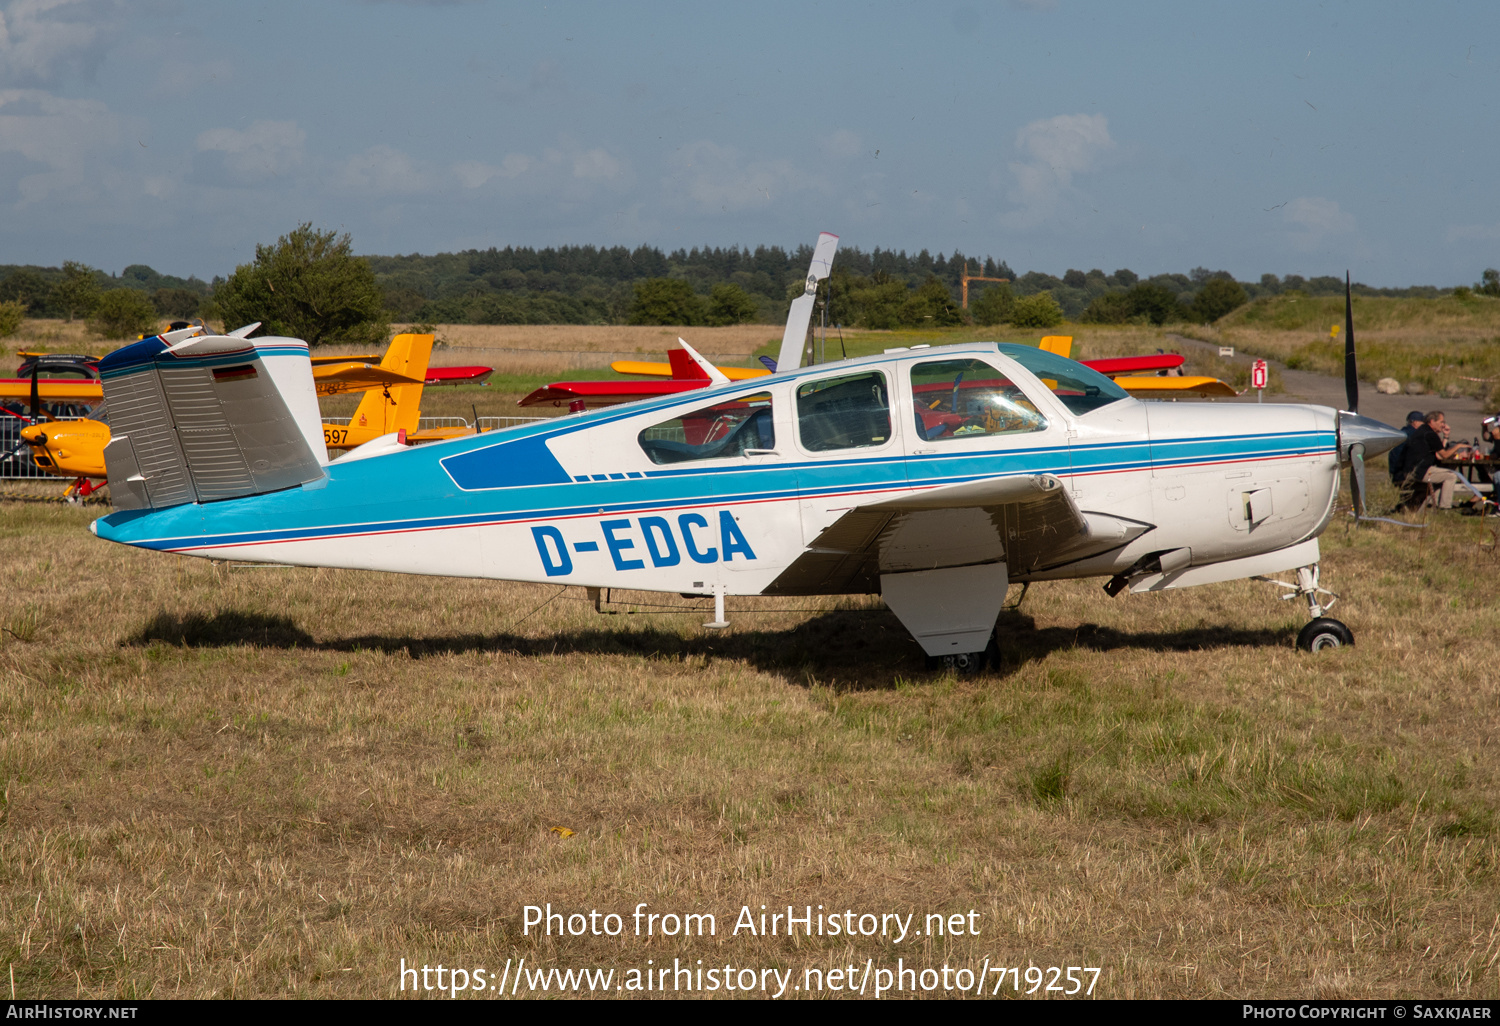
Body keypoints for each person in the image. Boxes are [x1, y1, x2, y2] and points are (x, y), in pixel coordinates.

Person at [1400, 410, 1470, 509]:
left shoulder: (1423, 431)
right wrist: (1458, 446)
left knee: (1440, 478)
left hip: (1410, 470)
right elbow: (1444, 455)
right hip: (1419, 471)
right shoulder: (1430, 434)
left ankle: (1433, 505)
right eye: (1442, 422)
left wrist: (1446, 436)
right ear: (1432, 421)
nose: (1444, 425)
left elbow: (1438, 455)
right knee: (1451, 476)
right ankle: (1445, 507)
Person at [1388, 410, 1425, 487]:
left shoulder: (1401, 433)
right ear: (1415, 422)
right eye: (1422, 421)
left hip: (1395, 472)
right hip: (1404, 474)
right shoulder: (1416, 434)